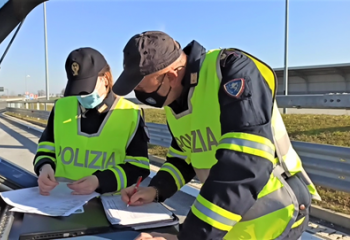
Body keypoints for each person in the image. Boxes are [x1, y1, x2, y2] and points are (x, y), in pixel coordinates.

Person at [112, 31, 321, 240]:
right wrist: (155, 190)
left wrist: (188, 237)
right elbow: (183, 157)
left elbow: (244, 164)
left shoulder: (231, 70)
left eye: (141, 86)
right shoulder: (173, 97)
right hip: (228, 217)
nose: (139, 94)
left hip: (274, 213)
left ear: (171, 76)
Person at [33, 47, 150, 196]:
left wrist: (100, 181)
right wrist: (44, 166)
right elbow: (47, 146)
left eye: (86, 90)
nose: (81, 96)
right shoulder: (61, 107)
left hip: (106, 204)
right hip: (61, 199)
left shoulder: (130, 114)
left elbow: (139, 167)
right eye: (77, 89)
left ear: (105, 79)